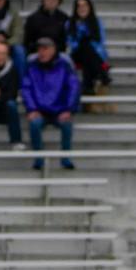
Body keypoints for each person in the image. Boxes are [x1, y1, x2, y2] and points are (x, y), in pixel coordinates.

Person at [22, 36, 80, 170]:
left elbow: (73, 87)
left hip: (60, 110)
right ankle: (39, 159)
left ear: (53, 50)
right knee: (34, 124)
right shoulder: (31, 67)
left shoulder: (64, 67)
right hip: (39, 111)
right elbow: (26, 88)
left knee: (67, 125)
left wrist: (68, 109)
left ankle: (66, 159)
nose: (42, 52)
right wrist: (31, 109)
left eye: (45, 49)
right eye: (40, 49)